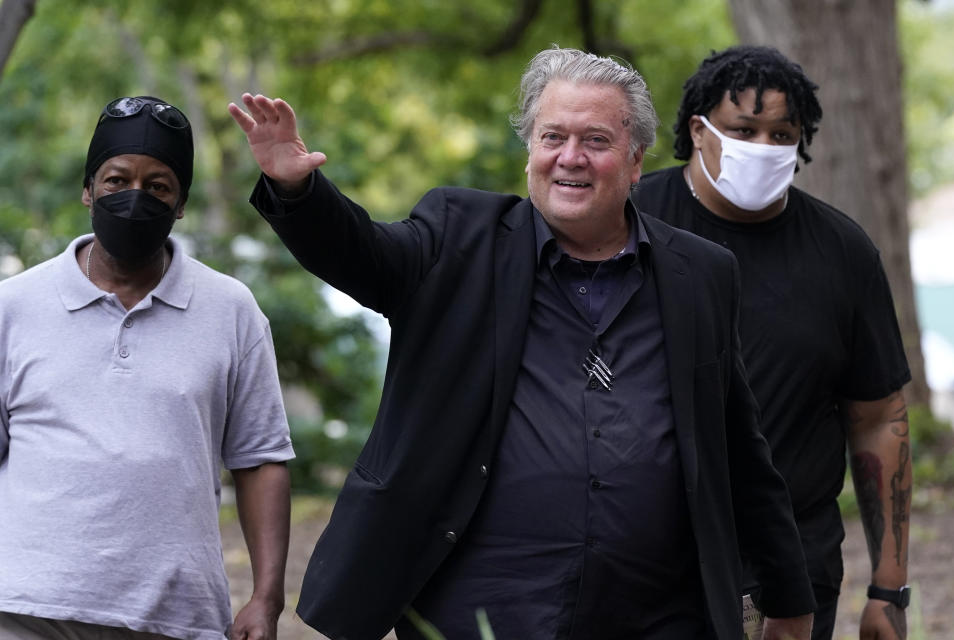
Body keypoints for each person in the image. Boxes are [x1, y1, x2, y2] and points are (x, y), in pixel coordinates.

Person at [229, 48, 816, 640]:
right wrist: (299, 191)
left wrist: (789, 597)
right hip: (480, 609)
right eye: (552, 136)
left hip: (658, 614)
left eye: (595, 140)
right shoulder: (458, 235)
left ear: (636, 160)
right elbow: (365, 256)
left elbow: (740, 448)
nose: (570, 158)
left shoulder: (702, 273)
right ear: (530, 148)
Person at [630, 45, 913, 640]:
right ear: (699, 130)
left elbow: (877, 418)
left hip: (794, 566)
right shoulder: (630, 225)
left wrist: (889, 591)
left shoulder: (842, 252)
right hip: (643, 560)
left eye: (781, 133)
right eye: (744, 129)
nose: (762, 148)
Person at [0, 96, 294, 640]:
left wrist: (266, 598)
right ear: (87, 190)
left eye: (158, 187)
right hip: (24, 607)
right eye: (116, 181)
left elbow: (261, 460)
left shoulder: (230, 309)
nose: (134, 198)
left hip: (173, 615)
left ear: (180, 203)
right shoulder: (12, 306)